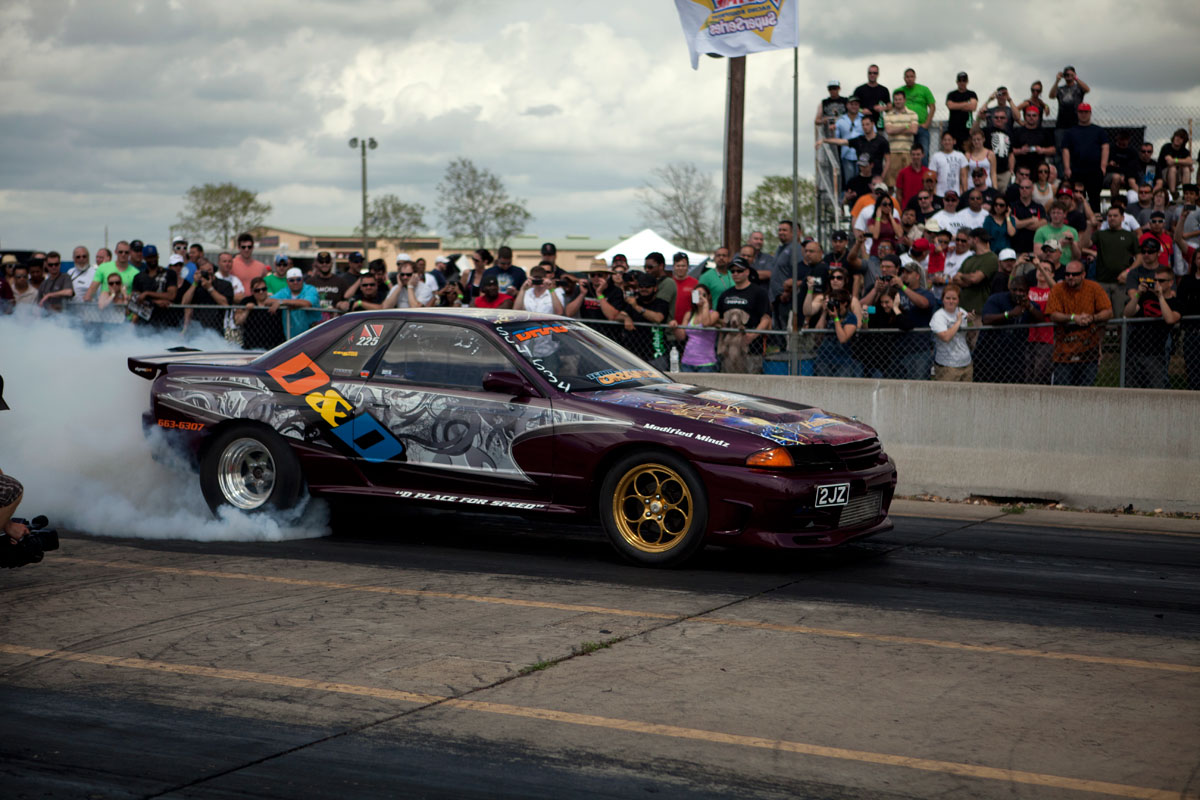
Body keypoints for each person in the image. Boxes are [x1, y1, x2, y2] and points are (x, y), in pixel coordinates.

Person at [1045, 260, 1113, 385]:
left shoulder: (1094, 287)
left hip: (1089, 351)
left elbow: (1108, 312)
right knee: (1063, 391)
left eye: (1075, 274)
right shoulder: (1058, 289)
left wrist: (1092, 318)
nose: (1070, 277)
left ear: (1083, 274)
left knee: (1086, 391)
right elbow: (1053, 314)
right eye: (1067, 274)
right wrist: (1073, 317)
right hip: (1063, 353)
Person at [1122, 265, 1181, 389]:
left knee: (1156, 391)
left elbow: (1170, 319)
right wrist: (1137, 294)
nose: (1157, 284)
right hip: (1134, 351)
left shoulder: (1176, 302)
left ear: (1170, 283)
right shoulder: (1146, 296)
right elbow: (1128, 313)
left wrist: (1160, 297)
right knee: (1131, 391)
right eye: (1155, 280)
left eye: (1161, 281)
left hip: (1156, 354)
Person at [978, 273, 1041, 383]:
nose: (1018, 293)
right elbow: (986, 319)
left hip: (1015, 357)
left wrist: (1029, 307)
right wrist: (1009, 314)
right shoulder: (997, 299)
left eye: (1021, 291)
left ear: (1027, 292)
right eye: (1014, 290)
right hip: (990, 354)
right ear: (1010, 289)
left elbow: (1041, 319)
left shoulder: (1029, 304)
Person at [602, 271, 671, 369]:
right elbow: (618, 316)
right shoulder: (633, 302)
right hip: (634, 355)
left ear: (655, 288)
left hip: (656, 355)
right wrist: (626, 318)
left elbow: (658, 318)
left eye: (647, 287)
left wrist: (636, 306)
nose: (643, 289)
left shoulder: (661, 303)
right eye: (641, 286)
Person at [714, 257, 771, 373]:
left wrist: (753, 335)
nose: (735, 274)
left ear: (747, 272)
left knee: (751, 378)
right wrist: (720, 324)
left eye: (739, 271)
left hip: (751, 349)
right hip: (729, 348)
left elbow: (766, 318)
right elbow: (718, 316)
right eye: (732, 271)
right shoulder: (726, 294)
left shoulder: (759, 292)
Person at [670, 284, 720, 372]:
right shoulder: (689, 314)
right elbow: (681, 336)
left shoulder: (714, 314)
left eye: (703, 294)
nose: (700, 297)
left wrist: (705, 305)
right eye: (697, 294)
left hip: (706, 363)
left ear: (708, 296)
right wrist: (675, 327)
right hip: (687, 361)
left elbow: (705, 323)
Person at [813, 287, 861, 378]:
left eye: (836, 301)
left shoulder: (851, 317)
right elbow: (817, 332)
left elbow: (843, 339)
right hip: (824, 358)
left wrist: (836, 318)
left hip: (843, 360)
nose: (834, 304)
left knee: (841, 385)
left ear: (845, 303)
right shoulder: (829, 314)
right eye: (832, 301)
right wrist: (824, 313)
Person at [930, 284, 974, 381]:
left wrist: (970, 322)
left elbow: (971, 335)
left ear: (958, 300)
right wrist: (958, 321)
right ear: (942, 299)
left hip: (966, 363)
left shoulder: (962, 312)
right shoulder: (939, 316)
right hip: (947, 366)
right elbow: (945, 337)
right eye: (948, 298)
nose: (951, 301)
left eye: (954, 298)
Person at [1025, 256, 1056, 384]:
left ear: (1052, 274)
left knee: (1041, 375)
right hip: (1028, 338)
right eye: (1039, 269)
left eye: (1046, 269)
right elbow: (1011, 287)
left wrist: (1040, 267)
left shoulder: (1053, 291)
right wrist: (1016, 266)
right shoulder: (1029, 290)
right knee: (1027, 376)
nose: (1041, 271)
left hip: (1046, 339)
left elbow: (1056, 289)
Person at [181, 261, 234, 336]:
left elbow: (225, 304)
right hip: (197, 329)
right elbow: (184, 303)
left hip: (216, 329)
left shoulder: (225, 284)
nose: (208, 273)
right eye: (204, 271)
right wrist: (195, 283)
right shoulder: (196, 285)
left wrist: (209, 288)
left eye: (209, 270)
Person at [130, 250, 178, 330]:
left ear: (158, 256)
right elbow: (135, 298)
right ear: (144, 258)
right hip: (145, 322)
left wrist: (147, 293)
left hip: (167, 321)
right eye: (149, 257)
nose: (152, 259)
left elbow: (171, 295)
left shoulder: (169, 273)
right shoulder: (139, 277)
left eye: (154, 256)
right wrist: (155, 302)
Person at [898, 68, 936, 165]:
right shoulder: (899, 91)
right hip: (906, 128)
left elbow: (932, 107)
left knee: (924, 154)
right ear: (904, 78)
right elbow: (895, 108)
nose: (909, 79)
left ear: (915, 77)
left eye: (911, 76)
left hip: (921, 127)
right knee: (907, 155)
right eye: (907, 77)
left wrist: (927, 124)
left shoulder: (924, 89)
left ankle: (924, 174)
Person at [266, 268, 320, 337]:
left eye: (298, 279)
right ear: (287, 281)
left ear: (302, 280)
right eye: (292, 280)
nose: (295, 282)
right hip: (291, 336)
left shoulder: (310, 289)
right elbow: (267, 301)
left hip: (313, 333)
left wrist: (282, 302)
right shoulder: (285, 291)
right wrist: (288, 303)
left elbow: (307, 303)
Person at [235, 278, 286, 350]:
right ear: (252, 291)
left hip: (274, 345)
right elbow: (238, 321)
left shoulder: (274, 300)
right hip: (252, 345)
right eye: (257, 290)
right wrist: (247, 310)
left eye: (263, 289)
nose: (261, 292)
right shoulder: (246, 301)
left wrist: (279, 303)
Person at [1175, 247, 1200, 390]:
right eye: (1199, 258)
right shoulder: (1186, 280)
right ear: (1195, 261)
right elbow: (1180, 302)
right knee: (1192, 369)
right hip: (1191, 332)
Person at [1049, 65, 1090, 150]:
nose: (1068, 76)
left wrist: (1076, 78)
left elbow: (1087, 89)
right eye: (1066, 74)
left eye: (1070, 74)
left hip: (1076, 123)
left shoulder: (1079, 87)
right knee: (1061, 148)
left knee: (1077, 148)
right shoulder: (1060, 89)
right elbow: (1051, 96)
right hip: (1061, 125)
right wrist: (1057, 81)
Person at [882, 89, 918, 186]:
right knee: (891, 182)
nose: (898, 101)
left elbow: (914, 130)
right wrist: (906, 126)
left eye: (900, 99)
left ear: (904, 100)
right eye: (896, 99)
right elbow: (889, 131)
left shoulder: (912, 114)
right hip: (893, 151)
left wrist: (895, 129)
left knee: (908, 181)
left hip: (908, 151)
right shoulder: (888, 115)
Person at [945, 71, 978, 148]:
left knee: (967, 151)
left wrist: (956, 105)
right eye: (960, 80)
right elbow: (950, 106)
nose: (962, 82)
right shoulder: (951, 94)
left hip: (967, 129)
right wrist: (967, 103)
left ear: (967, 81)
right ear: (957, 82)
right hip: (953, 129)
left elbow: (973, 107)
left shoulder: (972, 94)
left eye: (964, 80)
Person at [1157, 128, 1193, 198]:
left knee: (1186, 169)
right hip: (1163, 175)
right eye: (1177, 136)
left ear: (1184, 141)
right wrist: (1183, 162)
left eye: (1181, 138)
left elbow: (1190, 161)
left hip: (1177, 176)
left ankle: (1186, 193)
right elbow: (1169, 162)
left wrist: (1175, 160)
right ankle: (1173, 193)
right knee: (1172, 168)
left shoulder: (1184, 151)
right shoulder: (1167, 147)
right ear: (1174, 137)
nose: (1178, 139)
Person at [930, 131, 967, 198]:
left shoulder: (960, 156)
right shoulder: (936, 156)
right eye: (945, 140)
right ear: (942, 142)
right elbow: (932, 176)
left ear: (954, 141)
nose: (947, 142)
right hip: (940, 194)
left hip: (956, 193)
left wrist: (965, 192)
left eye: (949, 140)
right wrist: (934, 191)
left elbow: (964, 176)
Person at [852, 64, 890, 129]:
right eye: (870, 73)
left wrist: (883, 108)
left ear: (878, 74)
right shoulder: (859, 90)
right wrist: (862, 110)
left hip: (879, 125)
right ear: (867, 74)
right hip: (862, 125)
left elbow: (890, 106)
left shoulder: (884, 90)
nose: (872, 75)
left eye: (875, 73)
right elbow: (852, 106)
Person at [668, 252, 699, 324]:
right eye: (678, 266)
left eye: (683, 266)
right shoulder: (668, 283)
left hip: (688, 324)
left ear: (688, 267)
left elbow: (696, 304)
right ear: (673, 267)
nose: (680, 268)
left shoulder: (695, 283)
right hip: (670, 323)